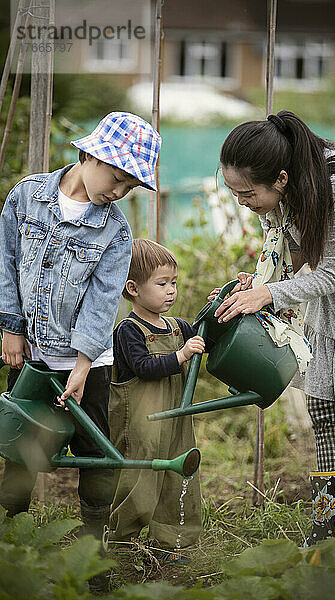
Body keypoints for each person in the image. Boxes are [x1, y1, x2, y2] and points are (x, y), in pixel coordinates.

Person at [212, 110, 335, 547]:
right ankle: (326, 531)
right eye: (233, 191)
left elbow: (332, 274)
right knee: (324, 408)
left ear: (280, 178)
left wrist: (271, 296)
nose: (242, 201)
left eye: (246, 193)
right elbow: (284, 249)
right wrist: (261, 283)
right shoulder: (277, 193)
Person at [0, 112, 161, 590]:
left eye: (129, 187)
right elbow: (6, 263)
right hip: (30, 355)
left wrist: (85, 361)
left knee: (96, 451)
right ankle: (13, 540)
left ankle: (92, 549)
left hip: (88, 363)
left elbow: (103, 301)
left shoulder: (114, 232)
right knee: (22, 448)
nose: (118, 192)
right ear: (90, 155)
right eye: (116, 178)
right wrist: (9, 328)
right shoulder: (27, 196)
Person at [108, 238, 203, 559]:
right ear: (133, 288)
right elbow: (144, 368)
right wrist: (181, 356)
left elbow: (208, 340)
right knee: (140, 478)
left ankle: (169, 541)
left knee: (179, 476)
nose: (171, 291)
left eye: (174, 282)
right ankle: (122, 540)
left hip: (176, 418)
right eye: (162, 284)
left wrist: (219, 306)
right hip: (140, 423)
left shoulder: (179, 327)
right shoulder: (128, 330)